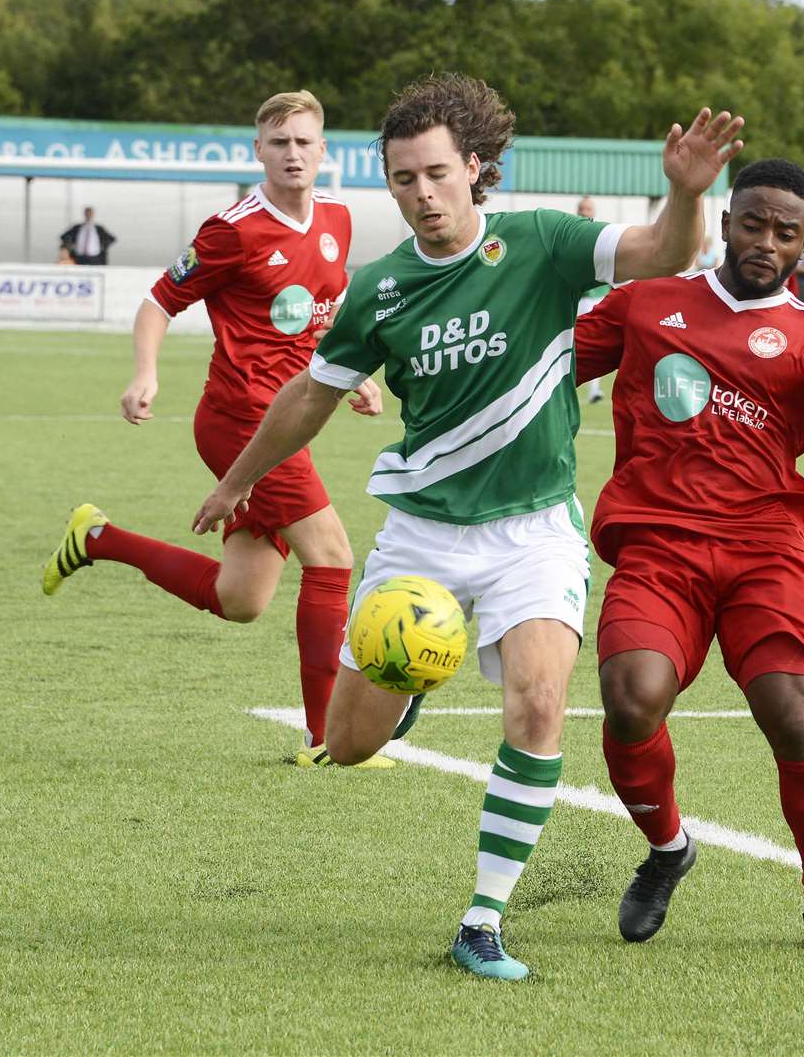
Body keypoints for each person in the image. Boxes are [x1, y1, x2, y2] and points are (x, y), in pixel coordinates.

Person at [189, 74, 745, 981]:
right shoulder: (380, 291)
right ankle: (404, 694)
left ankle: (481, 920)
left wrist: (686, 191)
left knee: (537, 704)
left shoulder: (539, 242)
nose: (422, 193)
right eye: (403, 178)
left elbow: (661, 252)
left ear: (475, 169)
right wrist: (238, 480)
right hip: (423, 539)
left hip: (534, 533)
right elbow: (308, 398)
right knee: (350, 744)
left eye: (437, 173)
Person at [573, 157, 804, 954]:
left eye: (786, 232)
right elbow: (540, 368)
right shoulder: (646, 305)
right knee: (630, 697)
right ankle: (668, 850)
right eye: (753, 223)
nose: (765, 242)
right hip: (658, 544)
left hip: (765, 550)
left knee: (791, 711)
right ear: (725, 220)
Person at [41, 90, 388, 770]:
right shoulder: (232, 231)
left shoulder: (339, 221)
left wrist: (355, 375)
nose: (292, 153)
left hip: (292, 414)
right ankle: (324, 740)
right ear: (258, 150)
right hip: (240, 421)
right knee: (333, 557)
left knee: (241, 600)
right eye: (279, 142)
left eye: (303, 142)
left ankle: (97, 538)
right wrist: (146, 374)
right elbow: (156, 301)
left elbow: (325, 306)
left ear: (324, 152)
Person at [576, 196, 610, 405]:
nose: (585, 211)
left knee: (595, 346)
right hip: (580, 300)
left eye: (588, 209)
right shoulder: (570, 235)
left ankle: (594, 390)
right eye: (582, 208)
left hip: (600, 298)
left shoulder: (601, 235)